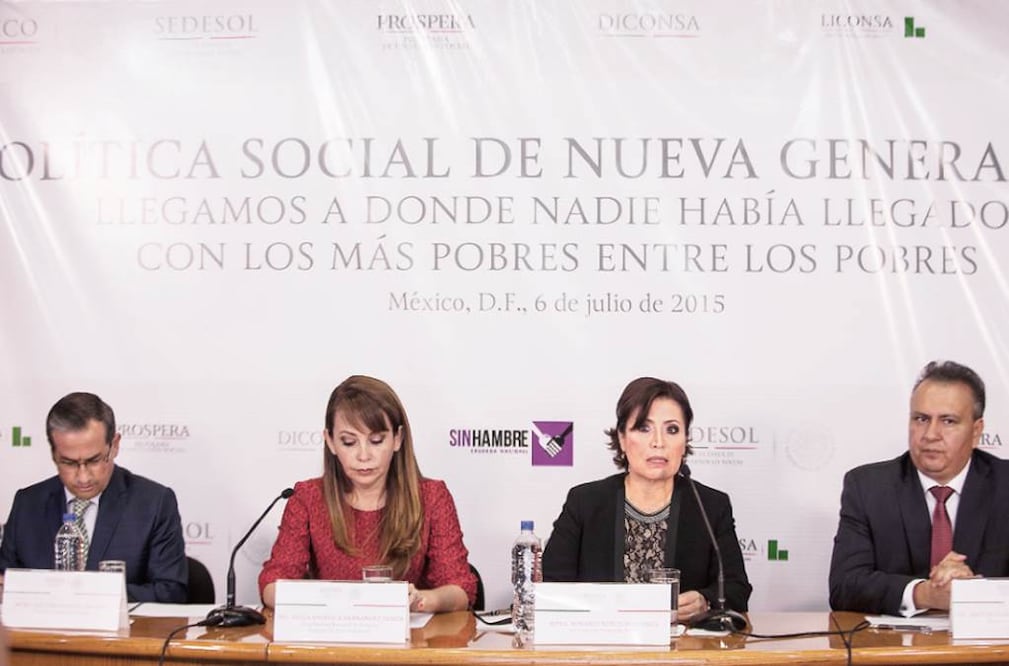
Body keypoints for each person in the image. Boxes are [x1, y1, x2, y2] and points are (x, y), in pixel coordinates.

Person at [259, 375, 477, 611]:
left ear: (397, 439)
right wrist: (331, 600)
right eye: (349, 442)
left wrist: (420, 601)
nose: (364, 456)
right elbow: (272, 585)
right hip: (330, 639)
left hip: (411, 639)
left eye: (375, 440)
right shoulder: (307, 497)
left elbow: (460, 589)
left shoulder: (432, 497)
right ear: (330, 442)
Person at [542, 377, 752, 621]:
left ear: (685, 441)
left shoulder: (710, 506)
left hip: (682, 652)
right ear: (622, 438)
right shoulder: (585, 502)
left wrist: (705, 600)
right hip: (601, 646)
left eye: (672, 429)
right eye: (644, 428)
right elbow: (550, 585)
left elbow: (738, 589)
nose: (658, 442)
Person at [829, 360, 1009, 614]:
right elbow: (844, 587)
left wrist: (970, 593)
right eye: (921, 419)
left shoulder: (1004, 485)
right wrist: (924, 593)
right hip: (897, 650)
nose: (930, 434)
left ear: (976, 430)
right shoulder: (869, 488)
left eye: (948, 421)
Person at [0, 392, 187, 602]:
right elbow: (6, 583)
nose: (82, 476)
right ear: (54, 454)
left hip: (120, 633)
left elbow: (170, 592)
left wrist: (90, 595)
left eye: (94, 460)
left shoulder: (153, 503)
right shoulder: (28, 503)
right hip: (39, 633)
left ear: (114, 445)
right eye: (69, 463)